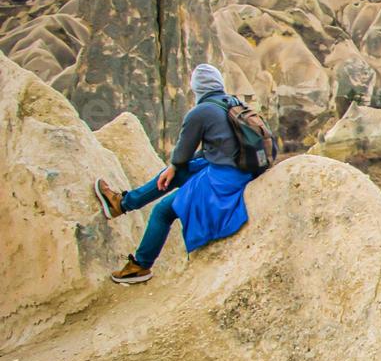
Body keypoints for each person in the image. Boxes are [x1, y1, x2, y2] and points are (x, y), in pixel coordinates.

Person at [93, 64, 259, 284]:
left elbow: (182, 153)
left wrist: (175, 166)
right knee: (174, 172)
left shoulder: (201, 111)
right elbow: (214, 149)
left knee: (163, 211)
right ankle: (121, 204)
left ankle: (140, 266)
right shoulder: (233, 103)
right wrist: (175, 168)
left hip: (223, 177)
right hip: (238, 170)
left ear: (197, 87)